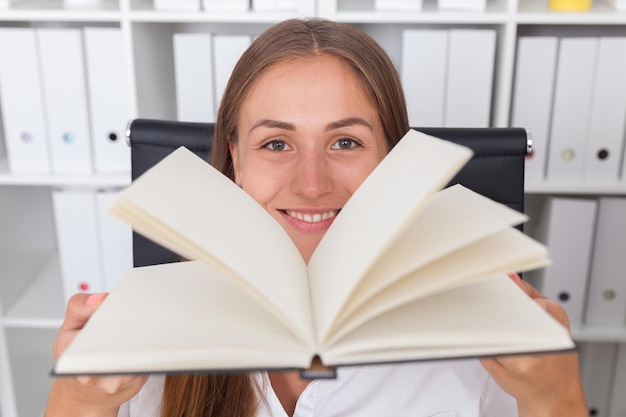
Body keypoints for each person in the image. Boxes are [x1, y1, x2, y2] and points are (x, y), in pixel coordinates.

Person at [44, 18, 587, 417]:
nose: (311, 183)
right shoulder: (148, 335)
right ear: (234, 160)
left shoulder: (484, 338)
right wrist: (78, 400)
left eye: (346, 141)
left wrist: (555, 395)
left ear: (395, 162)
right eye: (276, 143)